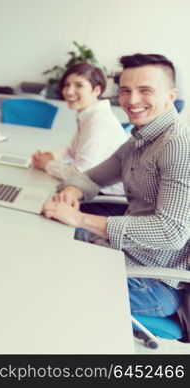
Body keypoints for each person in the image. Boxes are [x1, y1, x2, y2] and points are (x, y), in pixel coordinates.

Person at [42, 54, 190, 320]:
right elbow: (92, 177)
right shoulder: (138, 141)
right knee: (44, 247)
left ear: (171, 95)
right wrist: (72, 192)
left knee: (48, 282)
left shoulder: (177, 145)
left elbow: (172, 232)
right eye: (125, 91)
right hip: (122, 255)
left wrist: (79, 218)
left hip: (153, 283)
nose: (132, 101)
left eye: (145, 90)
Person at [31, 63, 127, 195]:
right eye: (67, 85)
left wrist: (48, 165)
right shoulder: (88, 114)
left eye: (79, 85)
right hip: (92, 188)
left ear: (97, 90)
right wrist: (51, 156)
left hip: (104, 197)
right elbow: (71, 152)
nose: (69, 91)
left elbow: (80, 175)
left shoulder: (99, 121)